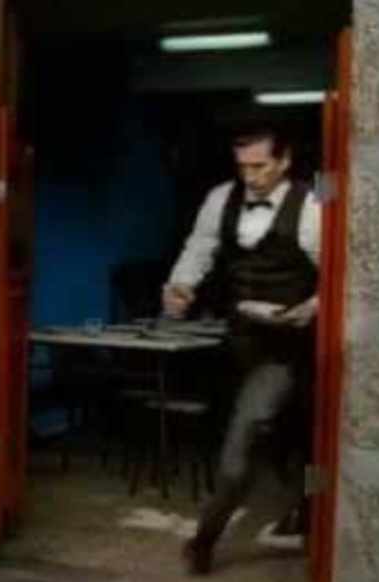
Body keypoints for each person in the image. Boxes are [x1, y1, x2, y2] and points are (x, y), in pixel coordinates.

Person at [162, 124, 320, 575]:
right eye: (242, 167)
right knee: (284, 437)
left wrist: (312, 306)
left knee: (244, 442)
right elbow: (200, 247)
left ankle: (203, 541)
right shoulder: (220, 198)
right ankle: (303, 509)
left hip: (285, 348)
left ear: (284, 161)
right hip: (236, 340)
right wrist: (180, 285)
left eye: (260, 166)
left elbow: (337, 272)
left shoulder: (312, 204)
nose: (250, 177)